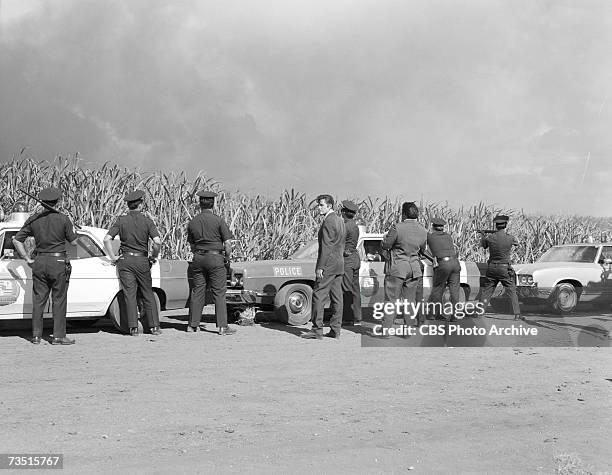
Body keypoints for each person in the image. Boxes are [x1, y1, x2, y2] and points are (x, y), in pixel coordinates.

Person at [13, 187, 79, 345]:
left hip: (39, 262)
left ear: (42, 202)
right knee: (59, 300)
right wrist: (72, 229)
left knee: (38, 300)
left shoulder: (34, 219)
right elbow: (74, 242)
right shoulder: (63, 219)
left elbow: (16, 240)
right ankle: (58, 336)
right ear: (57, 201)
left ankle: (36, 336)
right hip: (58, 263)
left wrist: (27, 259)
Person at [103, 190, 162, 336]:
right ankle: (154, 327)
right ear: (140, 204)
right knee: (147, 292)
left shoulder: (121, 220)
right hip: (142, 260)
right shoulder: (148, 221)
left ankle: (132, 328)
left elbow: (106, 239)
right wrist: (153, 257)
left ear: (128, 205)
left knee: (129, 294)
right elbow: (157, 242)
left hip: (125, 261)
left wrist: (113, 257)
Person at [186, 190, 236, 335]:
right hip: (215, 258)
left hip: (199, 258)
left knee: (197, 291)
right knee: (219, 292)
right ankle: (222, 326)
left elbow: (192, 245)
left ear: (199, 204)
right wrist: (227, 257)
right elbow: (227, 243)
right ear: (213, 204)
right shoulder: (218, 221)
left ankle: (192, 325)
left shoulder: (193, 222)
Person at [301, 194, 346, 340]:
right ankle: (335, 329)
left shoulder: (328, 221)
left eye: (321, 205)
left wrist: (320, 266)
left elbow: (326, 246)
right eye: (318, 205)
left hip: (329, 264)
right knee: (337, 297)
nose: (319, 207)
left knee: (318, 295)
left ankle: (317, 329)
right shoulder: (340, 220)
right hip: (339, 263)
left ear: (330, 205)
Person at [380, 202, 428, 333]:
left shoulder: (397, 227)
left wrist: (384, 239)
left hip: (398, 267)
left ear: (403, 214)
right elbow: (423, 250)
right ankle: (408, 329)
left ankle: (386, 329)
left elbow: (386, 245)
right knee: (410, 301)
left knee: (391, 300)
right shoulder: (423, 230)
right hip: (414, 268)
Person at [479, 214, 522, 320]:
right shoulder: (510, 238)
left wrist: (483, 236)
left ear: (496, 226)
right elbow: (517, 244)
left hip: (492, 268)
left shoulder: (490, 238)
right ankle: (517, 314)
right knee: (511, 291)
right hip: (504, 268)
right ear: (505, 225)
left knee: (487, 291)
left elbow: (483, 245)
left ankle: (480, 312)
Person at [427, 217, 461, 321]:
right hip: (455, 263)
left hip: (443, 264)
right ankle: (455, 315)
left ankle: (433, 314)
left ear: (433, 227)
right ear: (442, 228)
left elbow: (425, 250)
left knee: (438, 288)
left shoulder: (430, 237)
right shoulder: (448, 236)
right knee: (454, 289)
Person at [340, 200, 362, 326]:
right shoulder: (354, 225)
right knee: (355, 289)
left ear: (343, 212)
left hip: (347, 259)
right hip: (354, 257)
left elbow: (339, 243)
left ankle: (348, 318)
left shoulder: (345, 226)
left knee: (346, 289)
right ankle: (357, 317)